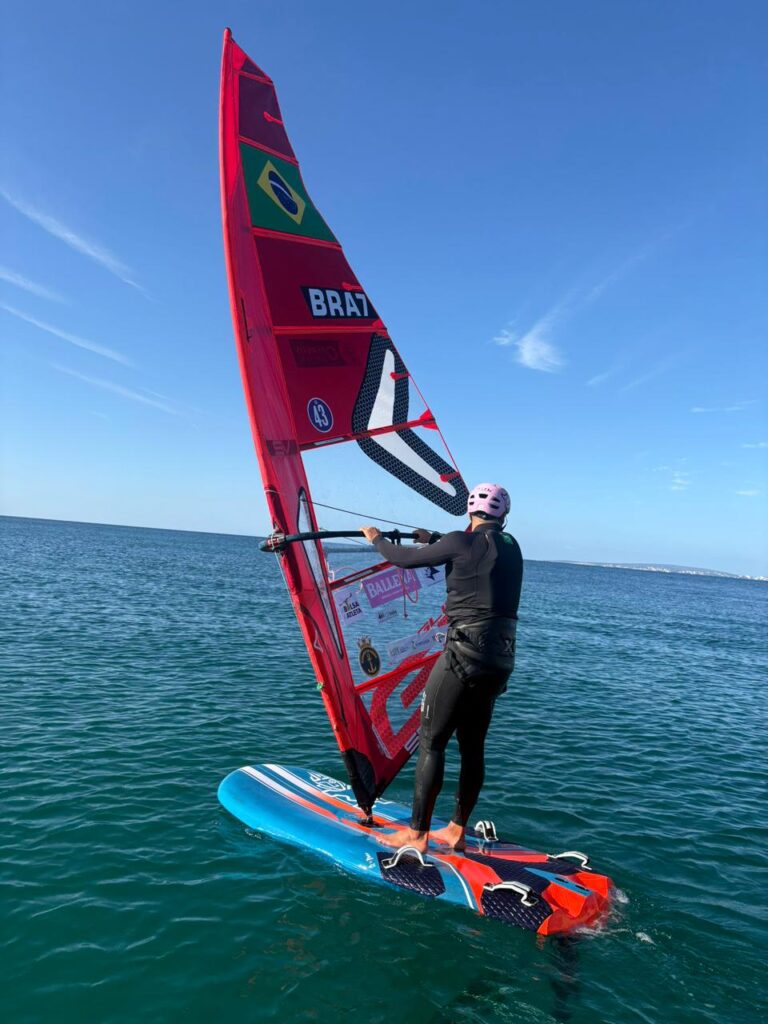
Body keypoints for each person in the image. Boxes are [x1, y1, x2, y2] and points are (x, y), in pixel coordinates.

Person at [360, 482, 522, 853]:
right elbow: (476, 553)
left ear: (469, 511)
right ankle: (456, 831)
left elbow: (402, 559)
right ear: (505, 516)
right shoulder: (513, 548)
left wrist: (377, 539)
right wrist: (432, 538)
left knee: (432, 741)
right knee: (473, 746)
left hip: (464, 653)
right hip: (501, 659)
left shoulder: (458, 541)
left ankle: (416, 835)